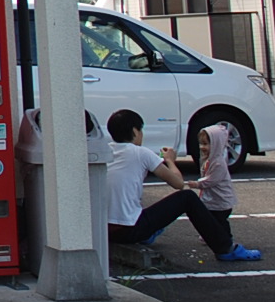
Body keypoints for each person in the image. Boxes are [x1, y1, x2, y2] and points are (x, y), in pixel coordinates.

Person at [105, 109, 261, 262]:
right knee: (187, 198)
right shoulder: (141, 153)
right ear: (134, 131)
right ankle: (225, 248)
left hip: (103, 231)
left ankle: (147, 234)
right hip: (129, 229)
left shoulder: (105, 152)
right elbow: (178, 184)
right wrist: (170, 160)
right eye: (141, 130)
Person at [190, 120, 239, 239]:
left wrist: (197, 184)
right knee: (210, 218)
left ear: (217, 144)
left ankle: (226, 238)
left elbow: (211, 180)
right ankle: (211, 236)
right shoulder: (209, 159)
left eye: (206, 144)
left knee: (219, 220)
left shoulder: (218, 163)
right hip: (213, 199)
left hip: (221, 201)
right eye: (201, 144)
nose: (202, 147)